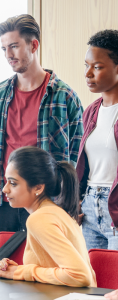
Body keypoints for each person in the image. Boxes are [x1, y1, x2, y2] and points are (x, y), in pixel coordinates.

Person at [0, 14, 84, 255]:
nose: (9, 54)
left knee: (46, 273)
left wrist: (72, 202)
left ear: (34, 45)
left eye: (14, 46)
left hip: (48, 200)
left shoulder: (65, 96)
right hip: (4, 198)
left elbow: (76, 156)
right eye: (4, 48)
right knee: (1, 270)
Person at [0, 146, 96, 287]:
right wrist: (17, 270)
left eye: (13, 183)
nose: (5, 189)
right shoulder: (55, 212)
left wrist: (22, 272)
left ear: (39, 188)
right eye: (6, 181)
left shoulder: (40, 218)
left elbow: (80, 275)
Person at [76, 30, 118, 250]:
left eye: (98, 67)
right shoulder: (91, 112)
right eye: (86, 66)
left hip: (115, 210)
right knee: (93, 282)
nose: (88, 74)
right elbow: (84, 166)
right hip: (91, 208)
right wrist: (78, 201)